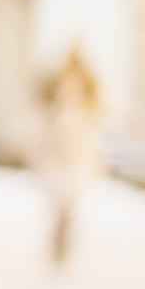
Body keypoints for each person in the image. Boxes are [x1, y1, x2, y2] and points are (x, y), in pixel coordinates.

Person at [35, 49, 102, 267]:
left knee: (68, 205)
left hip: (75, 159)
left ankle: (63, 242)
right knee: (59, 204)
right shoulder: (56, 87)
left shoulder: (86, 91)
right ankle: (58, 242)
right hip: (58, 158)